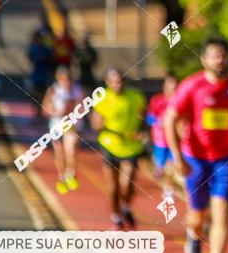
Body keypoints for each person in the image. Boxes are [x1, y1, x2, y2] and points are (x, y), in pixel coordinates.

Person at [163, 37, 228, 253]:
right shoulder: (191, 86)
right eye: (215, 55)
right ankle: (194, 234)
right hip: (195, 159)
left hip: (227, 159)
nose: (220, 60)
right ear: (204, 59)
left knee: (222, 210)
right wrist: (177, 157)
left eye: (223, 55)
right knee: (197, 215)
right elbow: (169, 120)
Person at [91, 68, 146, 230]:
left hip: (130, 147)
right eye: (114, 81)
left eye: (121, 80)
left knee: (127, 185)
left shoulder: (136, 97)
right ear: (108, 82)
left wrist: (140, 130)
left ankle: (126, 208)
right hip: (110, 146)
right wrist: (109, 129)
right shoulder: (102, 99)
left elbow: (143, 118)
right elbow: (96, 124)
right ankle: (116, 217)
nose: (118, 84)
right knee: (113, 187)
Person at [42, 66, 83, 194]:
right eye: (64, 80)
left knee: (71, 151)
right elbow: (45, 109)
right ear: (59, 79)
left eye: (69, 80)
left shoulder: (78, 90)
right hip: (57, 125)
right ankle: (61, 177)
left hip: (73, 125)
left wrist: (75, 110)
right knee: (59, 153)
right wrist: (56, 111)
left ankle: (71, 173)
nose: (67, 83)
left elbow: (83, 107)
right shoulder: (54, 90)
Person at [147, 73, 178, 200]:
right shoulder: (157, 100)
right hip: (160, 141)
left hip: (174, 140)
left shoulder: (179, 101)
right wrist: (158, 122)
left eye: (175, 88)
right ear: (164, 88)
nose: (172, 91)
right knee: (161, 168)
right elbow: (149, 118)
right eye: (170, 88)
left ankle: (168, 190)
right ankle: (158, 169)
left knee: (171, 168)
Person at [27, 32, 54, 117]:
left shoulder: (46, 50)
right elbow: (30, 58)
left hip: (44, 75)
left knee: (43, 93)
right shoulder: (33, 48)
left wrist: (46, 60)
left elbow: (51, 60)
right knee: (35, 92)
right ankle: (37, 108)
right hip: (36, 75)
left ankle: (40, 109)